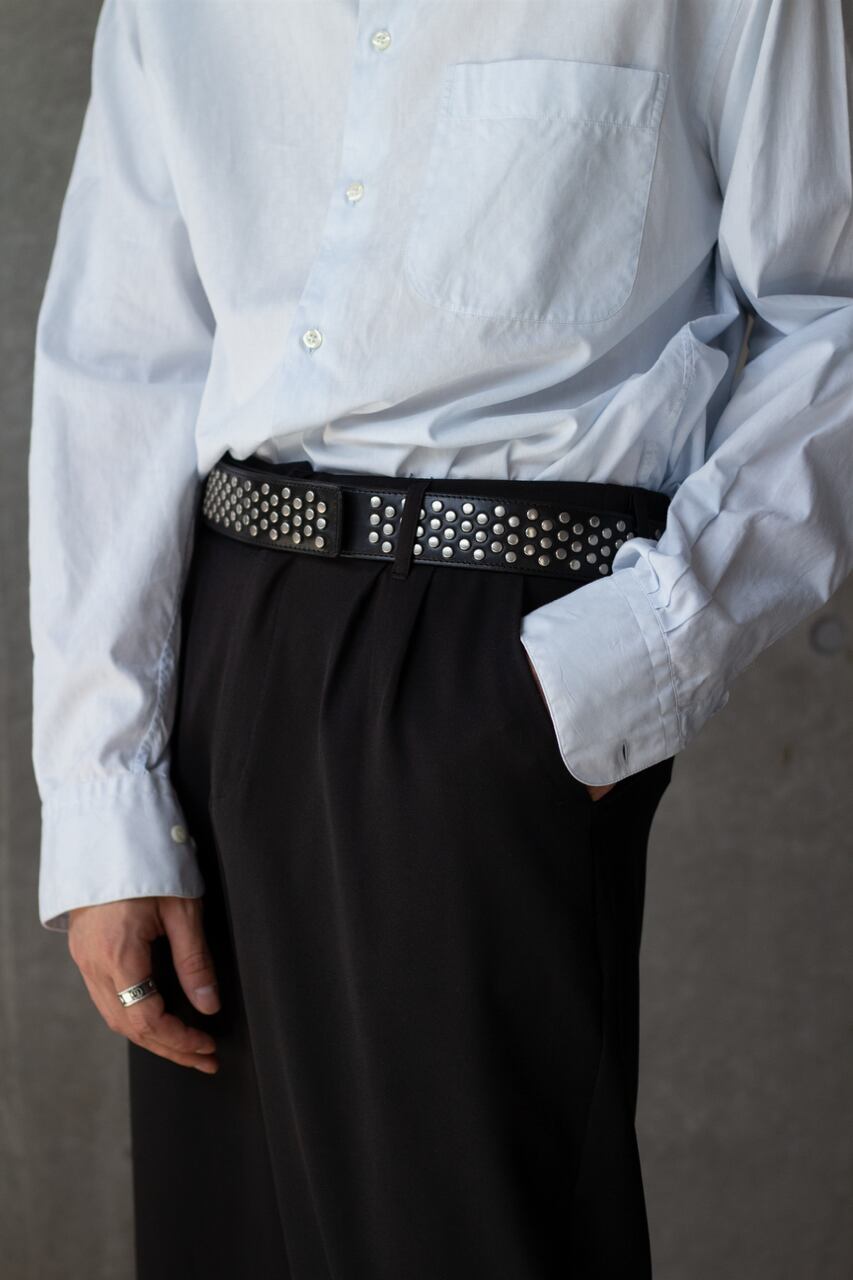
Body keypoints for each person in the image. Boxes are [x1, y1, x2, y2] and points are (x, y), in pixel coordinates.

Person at [28, 1, 853, 1276]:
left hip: (498, 661)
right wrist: (103, 788)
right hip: (223, 645)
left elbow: (833, 313)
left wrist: (633, 654)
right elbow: (125, 358)